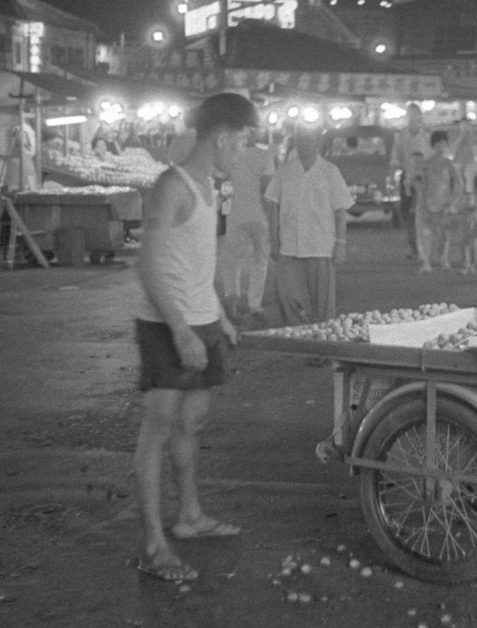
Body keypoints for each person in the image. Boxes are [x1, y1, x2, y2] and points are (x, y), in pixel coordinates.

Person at [133, 91, 258, 584]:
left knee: (193, 423)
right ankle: (153, 545)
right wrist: (182, 329)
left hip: (202, 321)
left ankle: (188, 517)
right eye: (244, 141)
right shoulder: (173, 185)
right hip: (167, 325)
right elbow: (149, 264)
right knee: (158, 428)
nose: (245, 150)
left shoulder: (209, 188)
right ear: (223, 137)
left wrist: (218, 319)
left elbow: (194, 263)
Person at [265, 123, 354, 326]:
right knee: (287, 298)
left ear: (318, 143)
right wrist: (274, 242)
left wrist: (340, 243)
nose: (304, 144)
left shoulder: (330, 171)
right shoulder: (284, 172)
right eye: (301, 140)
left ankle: (323, 346)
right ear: (295, 143)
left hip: (321, 247)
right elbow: (273, 209)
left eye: (309, 140)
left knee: (322, 305)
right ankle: (299, 337)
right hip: (289, 247)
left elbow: (340, 211)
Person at [217, 126, 275, 326]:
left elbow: (220, 178)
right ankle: (254, 305)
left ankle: (232, 299)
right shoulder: (264, 155)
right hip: (260, 216)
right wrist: (272, 218)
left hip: (236, 215)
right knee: (260, 261)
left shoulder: (232, 154)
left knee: (233, 261)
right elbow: (266, 189)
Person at [389, 104, 432, 260]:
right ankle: (414, 246)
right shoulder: (401, 136)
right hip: (407, 179)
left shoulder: (427, 136)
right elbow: (395, 158)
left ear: (421, 117)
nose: (414, 118)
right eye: (411, 115)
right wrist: (392, 179)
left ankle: (425, 247)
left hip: (424, 180)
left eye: (416, 115)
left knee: (424, 214)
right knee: (408, 214)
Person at [418, 130, 463, 272]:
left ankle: (443, 260)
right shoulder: (427, 163)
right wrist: (422, 203)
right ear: (433, 145)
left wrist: (452, 203)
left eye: (443, 144)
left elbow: (458, 184)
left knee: (443, 235)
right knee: (426, 234)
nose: (440, 147)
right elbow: (423, 185)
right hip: (428, 203)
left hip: (444, 204)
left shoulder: (449, 164)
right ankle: (427, 262)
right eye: (438, 144)